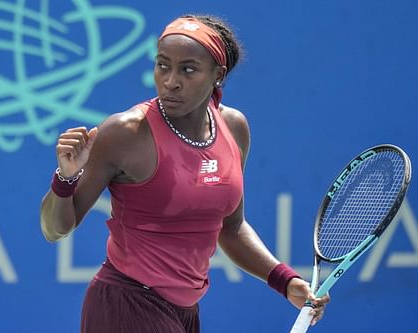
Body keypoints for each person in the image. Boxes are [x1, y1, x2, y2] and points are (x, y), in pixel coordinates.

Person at [40, 14, 330, 333]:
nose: (170, 80)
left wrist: (285, 281)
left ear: (218, 75)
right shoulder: (126, 133)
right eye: (163, 65)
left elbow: (231, 228)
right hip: (126, 307)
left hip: (185, 314)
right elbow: (55, 230)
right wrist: (65, 178)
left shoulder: (234, 128)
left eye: (187, 69)